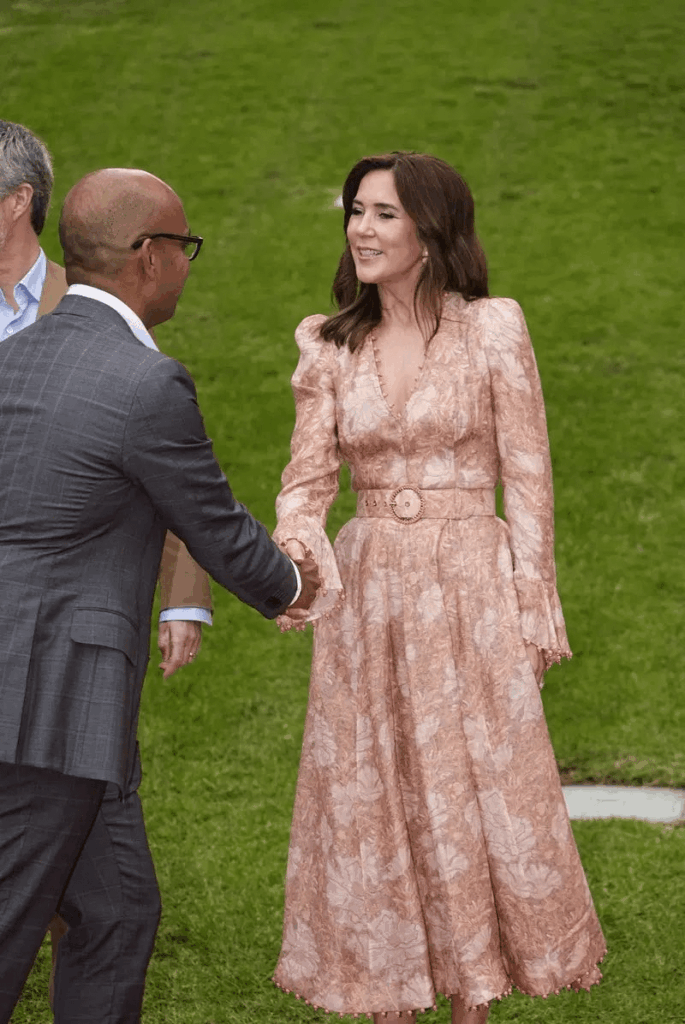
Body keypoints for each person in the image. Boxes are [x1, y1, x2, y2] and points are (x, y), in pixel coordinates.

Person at [271, 151, 606, 1024]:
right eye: (355, 211)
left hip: (469, 585)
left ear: (430, 229)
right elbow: (306, 484)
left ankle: (472, 998)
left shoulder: (493, 328)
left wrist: (533, 604)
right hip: (372, 592)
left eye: (384, 213)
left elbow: (528, 478)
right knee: (376, 789)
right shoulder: (328, 341)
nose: (361, 228)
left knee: (471, 787)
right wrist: (299, 551)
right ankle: (388, 994)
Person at [0, 166, 320, 1024]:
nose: (187, 263)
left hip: (59, 712)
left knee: (116, 912)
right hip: (45, 714)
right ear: (147, 257)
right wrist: (296, 582)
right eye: (184, 246)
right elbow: (211, 520)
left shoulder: (15, 356)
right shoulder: (145, 385)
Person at [0, 119, 214, 1005]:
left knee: (115, 908)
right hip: (34, 681)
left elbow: (161, 465)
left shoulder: (81, 306)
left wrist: (185, 598)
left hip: (60, 677)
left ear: (17, 203)